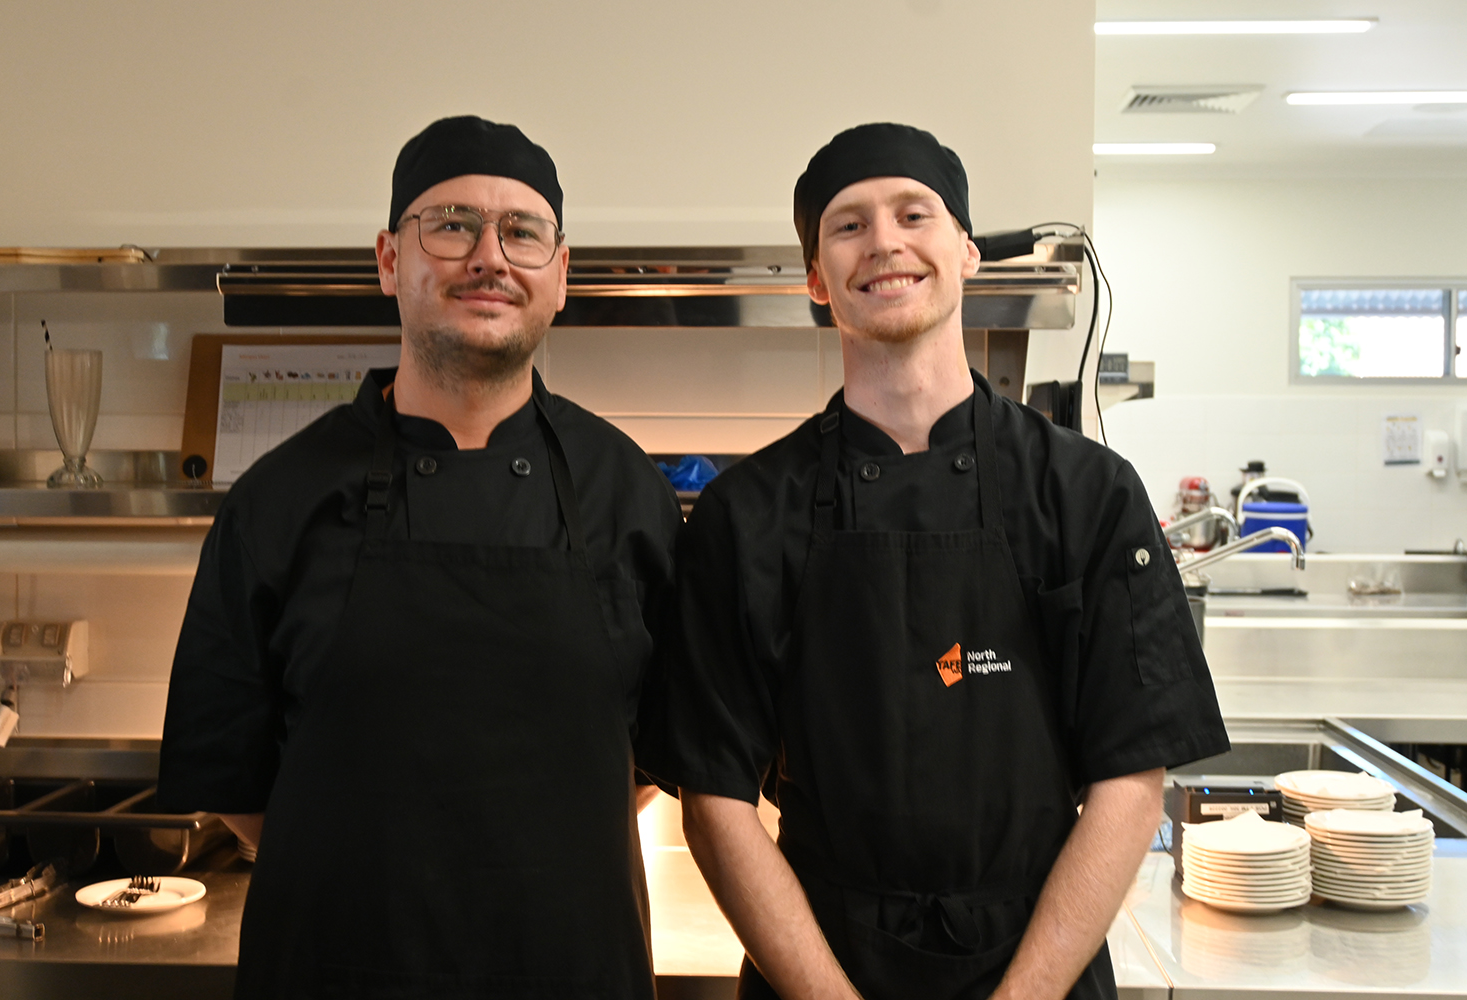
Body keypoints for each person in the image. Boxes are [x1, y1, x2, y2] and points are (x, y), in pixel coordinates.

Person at [651, 123, 1229, 1000]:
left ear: (964, 252)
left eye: (912, 214)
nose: (884, 241)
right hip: (818, 964)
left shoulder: (1086, 494)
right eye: (847, 225)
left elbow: (1131, 777)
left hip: (1041, 962)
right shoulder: (748, 514)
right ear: (816, 279)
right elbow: (715, 799)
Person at [159, 115, 681, 999]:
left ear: (560, 274)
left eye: (522, 231)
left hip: (570, 970)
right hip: (335, 970)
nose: (490, 255)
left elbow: (661, 753)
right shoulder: (280, 500)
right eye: (450, 224)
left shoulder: (628, 494)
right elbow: (237, 783)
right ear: (389, 260)